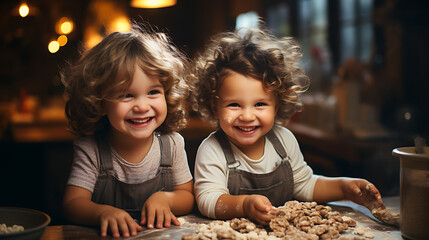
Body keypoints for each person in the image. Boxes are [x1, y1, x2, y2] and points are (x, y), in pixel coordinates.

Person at [190, 27, 383, 225]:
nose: (247, 116)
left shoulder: (283, 140)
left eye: (260, 104)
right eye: (234, 105)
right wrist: (244, 205)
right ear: (215, 108)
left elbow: (306, 185)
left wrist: (344, 187)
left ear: (277, 105)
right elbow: (208, 200)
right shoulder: (212, 149)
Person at [61, 23, 194, 238]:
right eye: (126, 95)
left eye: (153, 92)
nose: (142, 107)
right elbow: (73, 203)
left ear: (167, 93)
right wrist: (101, 213)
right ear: (100, 103)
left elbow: (187, 195)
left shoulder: (172, 143)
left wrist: (165, 199)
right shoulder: (91, 149)